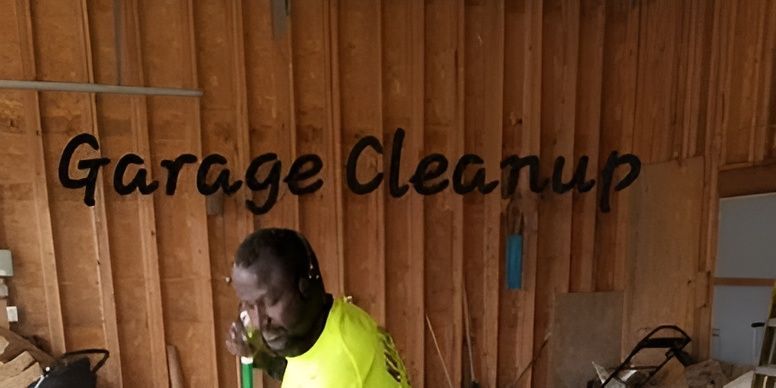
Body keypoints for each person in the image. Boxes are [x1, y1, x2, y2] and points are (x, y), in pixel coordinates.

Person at [226, 228, 411, 387]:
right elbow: (306, 369)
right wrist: (260, 355)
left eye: (270, 302)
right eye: (250, 306)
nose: (259, 322)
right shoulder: (341, 322)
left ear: (305, 288)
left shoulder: (341, 368)